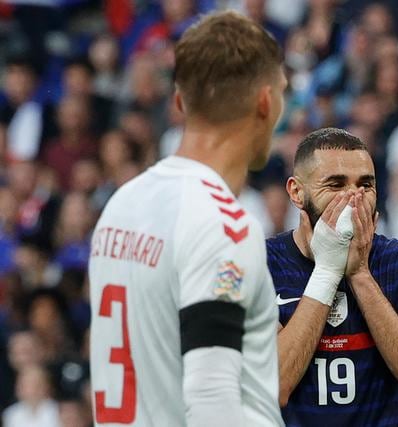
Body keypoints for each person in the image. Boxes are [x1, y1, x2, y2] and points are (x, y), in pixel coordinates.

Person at [89, 11, 287, 426]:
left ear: (179, 102)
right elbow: (211, 398)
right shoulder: (224, 224)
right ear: (266, 102)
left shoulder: (121, 205)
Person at [267, 128, 398, 426]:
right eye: (336, 184)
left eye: (366, 184)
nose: (354, 197)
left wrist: (360, 274)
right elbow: (272, 385)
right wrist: (327, 271)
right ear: (297, 193)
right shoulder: (263, 265)